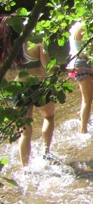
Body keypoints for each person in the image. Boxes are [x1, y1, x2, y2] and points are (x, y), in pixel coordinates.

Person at [1, 15, 56, 166]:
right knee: (49, 117)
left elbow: (3, 74)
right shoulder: (37, 41)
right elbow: (48, 67)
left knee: (25, 132)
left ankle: (25, 169)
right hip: (38, 85)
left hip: (17, 88)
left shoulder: (7, 47)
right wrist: (62, 68)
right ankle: (46, 152)